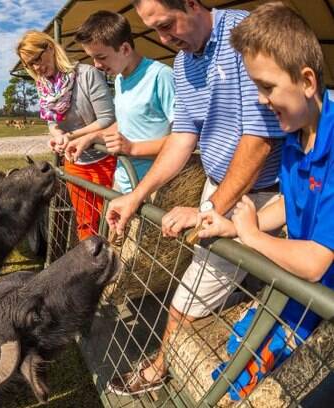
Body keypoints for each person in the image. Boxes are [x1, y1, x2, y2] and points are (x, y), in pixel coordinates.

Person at [104, 0, 287, 396]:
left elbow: (259, 142)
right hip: (221, 191)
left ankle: (161, 368)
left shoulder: (248, 37)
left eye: (169, 25)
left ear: (192, 2)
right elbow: (182, 138)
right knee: (210, 280)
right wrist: (136, 197)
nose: (165, 39)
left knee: (189, 296)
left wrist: (209, 210)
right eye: (155, 31)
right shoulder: (184, 63)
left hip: (263, 196)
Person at [196, 2, 333, 399]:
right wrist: (231, 226)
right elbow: (293, 204)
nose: (259, 100)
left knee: (260, 374)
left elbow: (314, 262)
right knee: (243, 344)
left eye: (267, 87)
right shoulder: (296, 134)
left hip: (321, 295)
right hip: (304, 290)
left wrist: (253, 238)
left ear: (307, 81)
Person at [17, 30, 116, 240]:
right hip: (75, 162)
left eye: (37, 59)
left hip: (104, 160)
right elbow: (52, 122)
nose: (36, 67)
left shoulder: (87, 74)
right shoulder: (44, 85)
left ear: (50, 48)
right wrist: (58, 135)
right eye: (29, 64)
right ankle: (91, 266)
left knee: (110, 222)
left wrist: (70, 136)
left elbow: (107, 118)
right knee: (85, 222)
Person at [66, 10, 174, 193]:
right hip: (123, 182)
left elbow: (184, 141)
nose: (96, 65)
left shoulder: (161, 76)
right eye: (93, 57)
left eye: (101, 57)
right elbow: (126, 123)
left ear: (124, 49)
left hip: (155, 189)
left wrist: (132, 148)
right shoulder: (119, 79)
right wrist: (90, 137)